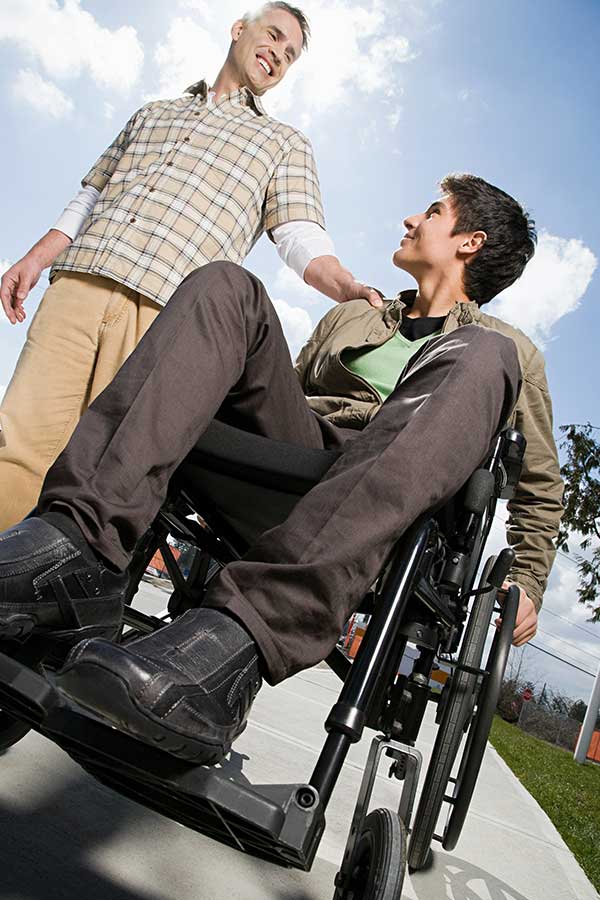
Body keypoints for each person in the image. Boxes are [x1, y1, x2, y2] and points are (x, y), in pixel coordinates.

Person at [0, 174, 563, 766]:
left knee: (483, 356)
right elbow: (282, 397)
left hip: (393, 493)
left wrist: (525, 579)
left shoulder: (506, 352)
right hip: (301, 463)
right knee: (226, 283)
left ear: (468, 242)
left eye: (432, 211)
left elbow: (541, 485)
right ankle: (74, 556)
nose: (409, 220)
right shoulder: (353, 318)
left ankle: (238, 639)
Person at [0, 1, 381, 531]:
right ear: (239, 30)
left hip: (164, 315)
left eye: (290, 55)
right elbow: (89, 196)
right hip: (84, 280)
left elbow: (298, 231)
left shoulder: (282, 143)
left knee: (106, 469)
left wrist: (341, 282)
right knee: (17, 446)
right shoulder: (152, 112)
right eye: (273, 37)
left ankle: (56, 599)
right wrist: (36, 258)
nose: (278, 54)